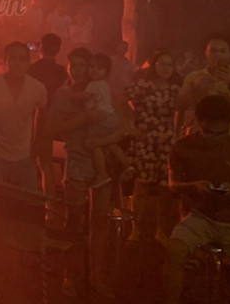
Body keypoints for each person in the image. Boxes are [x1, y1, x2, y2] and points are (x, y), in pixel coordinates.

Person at [166, 95, 230, 304]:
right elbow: (172, 186)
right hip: (198, 216)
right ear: (199, 122)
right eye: (209, 132)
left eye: (221, 132)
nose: (215, 138)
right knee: (174, 252)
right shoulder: (182, 147)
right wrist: (193, 186)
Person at [48, 47, 123, 298]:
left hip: (101, 162)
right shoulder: (64, 95)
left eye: (83, 65)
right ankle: (71, 274)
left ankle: (96, 275)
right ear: (68, 68)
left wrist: (103, 140)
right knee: (74, 221)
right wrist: (85, 118)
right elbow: (54, 128)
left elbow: (122, 126)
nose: (78, 70)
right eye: (74, 66)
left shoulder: (103, 91)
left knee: (100, 222)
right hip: (78, 161)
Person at [0, 41, 47, 281]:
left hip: (22, 159)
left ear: (28, 62)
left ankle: (22, 257)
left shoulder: (37, 89)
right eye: (12, 58)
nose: (16, 63)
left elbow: (43, 114)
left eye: (21, 58)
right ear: (5, 61)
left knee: (27, 213)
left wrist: (36, 145)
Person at [124, 50, 181, 245]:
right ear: (154, 65)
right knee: (141, 186)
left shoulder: (175, 89)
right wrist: (130, 124)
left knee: (166, 189)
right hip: (146, 140)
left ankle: (161, 231)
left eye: (169, 64)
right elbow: (120, 100)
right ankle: (136, 229)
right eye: (162, 63)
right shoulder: (143, 85)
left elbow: (184, 110)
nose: (165, 68)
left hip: (167, 141)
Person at [176, 34, 230, 138]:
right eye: (213, 51)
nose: (217, 55)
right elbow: (180, 106)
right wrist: (194, 88)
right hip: (200, 136)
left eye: (222, 51)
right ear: (206, 53)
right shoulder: (193, 77)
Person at [27, 33, 69, 199]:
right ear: (58, 49)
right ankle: (49, 204)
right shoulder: (62, 72)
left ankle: (28, 200)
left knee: (28, 161)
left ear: (41, 48)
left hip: (30, 119)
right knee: (45, 164)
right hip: (51, 119)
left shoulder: (32, 69)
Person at [83, 53, 133, 188]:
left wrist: (72, 96)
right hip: (111, 120)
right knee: (110, 144)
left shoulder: (93, 85)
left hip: (100, 121)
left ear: (106, 71)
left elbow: (85, 97)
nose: (94, 70)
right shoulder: (105, 85)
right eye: (92, 67)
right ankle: (126, 162)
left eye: (99, 68)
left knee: (96, 145)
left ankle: (102, 174)